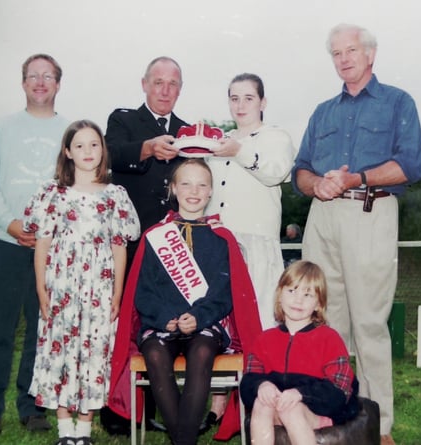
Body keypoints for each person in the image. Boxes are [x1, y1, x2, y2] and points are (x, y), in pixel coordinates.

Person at [292, 24, 421, 445]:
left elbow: (411, 165)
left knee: (369, 322)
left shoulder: (397, 103)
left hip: (371, 211)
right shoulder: (322, 112)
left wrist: (356, 179)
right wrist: (318, 185)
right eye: (336, 53)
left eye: (351, 50)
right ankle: (326, 413)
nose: (343, 58)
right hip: (322, 217)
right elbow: (300, 171)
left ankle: (378, 426)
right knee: (321, 321)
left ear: (370, 54)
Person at [108, 159, 263, 445]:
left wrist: (200, 317)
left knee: (202, 350)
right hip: (161, 323)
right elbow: (143, 291)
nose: (194, 191)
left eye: (202, 184)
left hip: (205, 324)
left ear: (211, 191)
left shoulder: (222, 238)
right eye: (186, 183)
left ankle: (181, 440)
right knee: (154, 353)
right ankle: (185, 440)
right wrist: (163, 316)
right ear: (173, 189)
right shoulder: (155, 236)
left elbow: (224, 293)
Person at [0, 53, 69, 436]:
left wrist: (52, 231)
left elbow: (74, 186)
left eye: (48, 76)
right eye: (33, 76)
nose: (40, 82)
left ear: (58, 84)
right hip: (3, 242)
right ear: (23, 83)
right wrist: (10, 224)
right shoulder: (0, 130)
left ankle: (33, 406)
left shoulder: (70, 132)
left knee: (43, 331)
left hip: (52, 248)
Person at [22, 120, 140, 445]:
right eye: (80, 146)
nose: (88, 152)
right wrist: (41, 288)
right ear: (67, 152)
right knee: (60, 349)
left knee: (95, 350)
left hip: (99, 287)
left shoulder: (115, 195)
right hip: (61, 284)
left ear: (103, 150)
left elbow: (120, 246)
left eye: (94, 145)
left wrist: (117, 293)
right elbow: (42, 243)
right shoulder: (53, 193)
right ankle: (65, 429)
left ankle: (85, 429)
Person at [205, 73, 296, 429]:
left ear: (263, 101)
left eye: (247, 98)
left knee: (259, 323)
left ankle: (263, 402)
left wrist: (239, 152)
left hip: (257, 245)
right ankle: (217, 403)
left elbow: (275, 173)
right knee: (221, 323)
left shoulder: (276, 137)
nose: (240, 105)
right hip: (221, 244)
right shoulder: (218, 141)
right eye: (234, 98)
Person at [103, 55, 188, 433]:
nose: (165, 90)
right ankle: (117, 412)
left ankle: (151, 410)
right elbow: (111, 155)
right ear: (144, 84)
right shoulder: (122, 121)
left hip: (171, 247)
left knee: (161, 327)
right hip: (130, 245)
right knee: (122, 326)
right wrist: (149, 148)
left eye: (173, 84)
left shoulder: (188, 132)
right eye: (158, 82)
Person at [240, 260, 359, 445]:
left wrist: (301, 393)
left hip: (318, 411)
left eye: (308, 294)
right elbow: (248, 382)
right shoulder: (264, 340)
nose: (298, 299)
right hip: (275, 410)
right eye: (292, 291)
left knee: (291, 409)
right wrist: (262, 386)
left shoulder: (329, 338)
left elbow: (340, 390)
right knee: (261, 403)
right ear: (280, 295)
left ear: (318, 304)